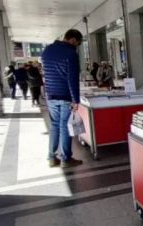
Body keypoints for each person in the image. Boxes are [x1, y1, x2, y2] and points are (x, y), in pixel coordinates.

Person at [42, 29, 84, 168]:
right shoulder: (71, 54)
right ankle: (66, 158)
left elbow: (46, 74)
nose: (76, 46)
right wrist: (75, 100)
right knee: (65, 127)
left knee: (54, 126)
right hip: (65, 96)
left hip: (51, 95)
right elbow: (72, 79)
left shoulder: (47, 50)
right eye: (77, 43)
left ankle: (51, 157)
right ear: (72, 39)